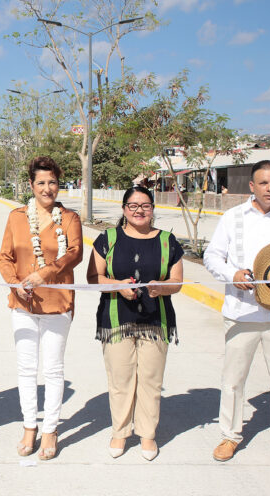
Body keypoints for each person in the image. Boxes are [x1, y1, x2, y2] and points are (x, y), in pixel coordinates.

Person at [203, 160, 270, 469]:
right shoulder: (232, 217)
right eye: (264, 183)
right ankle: (230, 435)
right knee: (233, 380)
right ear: (251, 186)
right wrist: (233, 274)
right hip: (242, 313)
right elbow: (212, 256)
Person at [86, 186, 184, 461]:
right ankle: (120, 431)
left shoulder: (168, 241)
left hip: (156, 320)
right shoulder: (108, 239)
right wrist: (117, 286)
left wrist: (160, 288)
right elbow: (94, 278)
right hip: (117, 320)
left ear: (153, 209)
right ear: (124, 209)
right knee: (120, 379)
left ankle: (147, 434)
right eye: (133, 205)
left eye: (145, 205)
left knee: (151, 381)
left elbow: (176, 281)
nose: (139, 210)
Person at [0, 156, 83, 460]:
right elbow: (5, 257)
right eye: (41, 183)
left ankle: (50, 429)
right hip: (22, 304)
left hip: (57, 305)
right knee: (26, 369)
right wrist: (14, 282)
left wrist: (43, 274)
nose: (48, 189)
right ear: (31, 185)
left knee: (53, 368)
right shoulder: (17, 217)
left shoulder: (70, 218)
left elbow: (74, 253)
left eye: (53, 183)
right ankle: (29, 426)